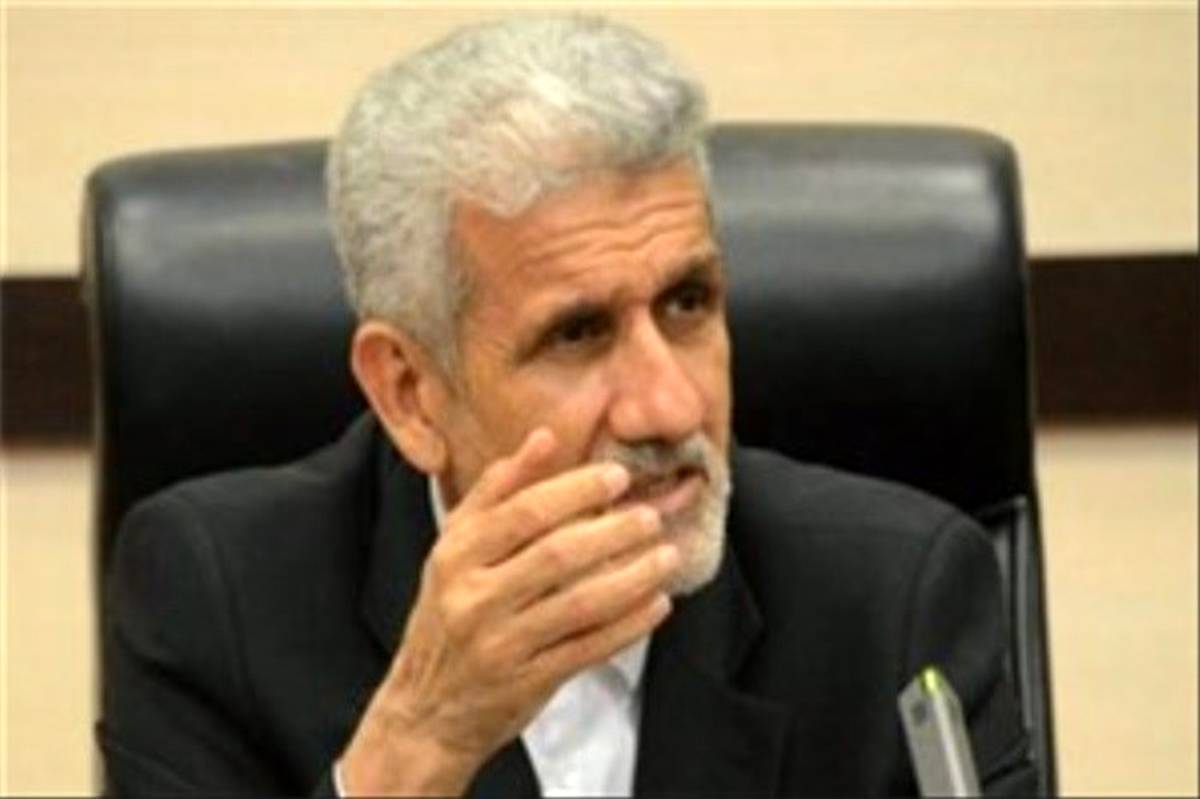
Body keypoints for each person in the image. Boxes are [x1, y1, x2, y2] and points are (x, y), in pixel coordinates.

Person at [99, 14, 1038, 797]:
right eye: (577, 334)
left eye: (688, 303)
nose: (670, 406)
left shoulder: (894, 601)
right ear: (410, 392)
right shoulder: (215, 602)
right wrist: (420, 743)